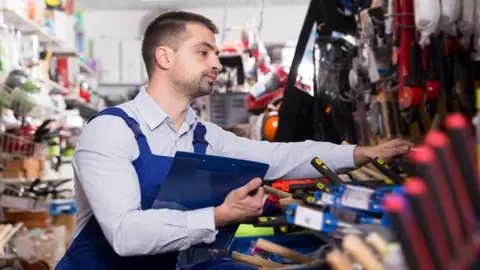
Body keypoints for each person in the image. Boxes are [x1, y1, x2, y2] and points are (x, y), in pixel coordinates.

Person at [55, 10, 413, 270]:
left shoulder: (203, 137)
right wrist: (217, 216)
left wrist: (362, 153)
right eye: (203, 52)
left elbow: (280, 156)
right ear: (164, 56)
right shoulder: (111, 131)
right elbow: (125, 233)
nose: (217, 63)